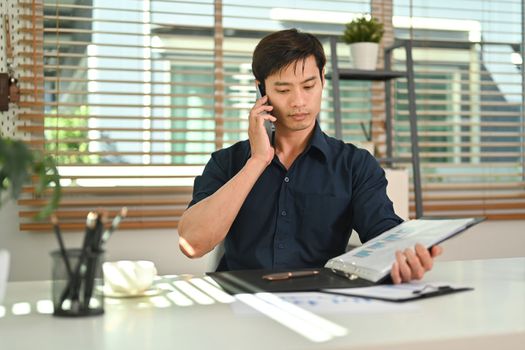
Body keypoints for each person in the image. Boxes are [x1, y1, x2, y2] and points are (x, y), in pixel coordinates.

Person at [178, 28, 441, 284]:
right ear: (261, 90)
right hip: (238, 304)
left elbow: (386, 235)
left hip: (323, 305)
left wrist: (407, 254)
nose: (299, 101)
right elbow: (193, 245)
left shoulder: (355, 164)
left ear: (323, 79)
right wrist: (257, 161)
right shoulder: (227, 163)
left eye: (308, 85)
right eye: (283, 90)